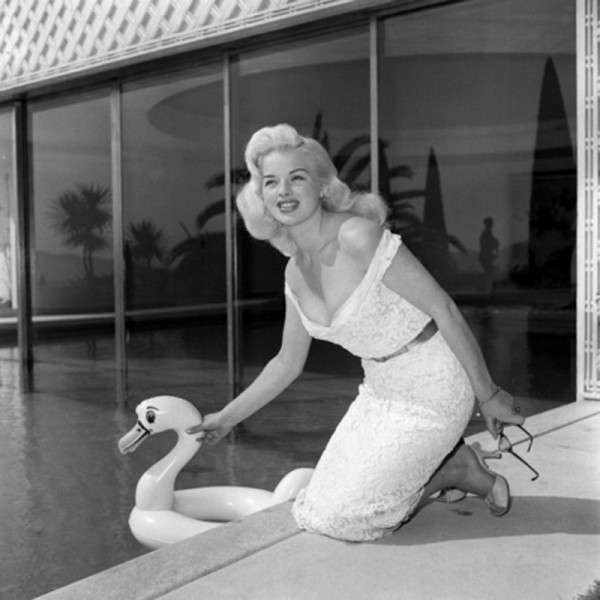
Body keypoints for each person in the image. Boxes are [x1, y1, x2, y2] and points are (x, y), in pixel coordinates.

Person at [187, 124, 525, 542]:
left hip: (436, 387)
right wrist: (227, 417)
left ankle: (454, 469)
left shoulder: (359, 237)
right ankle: (457, 466)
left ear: (322, 185)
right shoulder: (294, 272)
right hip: (380, 392)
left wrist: (487, 395)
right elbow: (287, 362)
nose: (284, 190)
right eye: (271, 182)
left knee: (350, 519)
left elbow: (444, 309)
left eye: (297, 177)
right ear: (263, 199)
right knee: (313, 508)